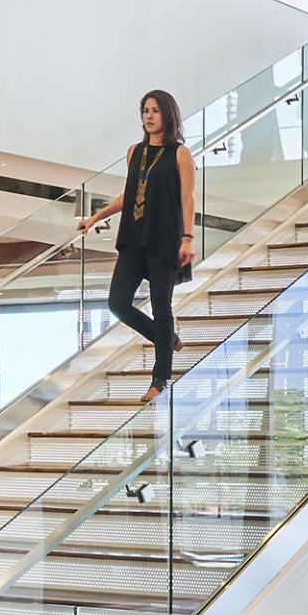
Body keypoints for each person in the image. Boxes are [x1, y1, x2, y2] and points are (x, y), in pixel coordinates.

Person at [77, 90, 197, 402]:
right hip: (133, 237)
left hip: (164, 239)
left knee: (161, 307)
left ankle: (161, 378)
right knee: (118, 303)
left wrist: (187, 238)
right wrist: (95, 217)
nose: (149, 116)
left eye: (156, 110)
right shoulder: (134, 152)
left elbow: (187, 199)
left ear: (168, 115)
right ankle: (167, 339)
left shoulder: (180, 154)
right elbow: (129, 194)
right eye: (145, 110)